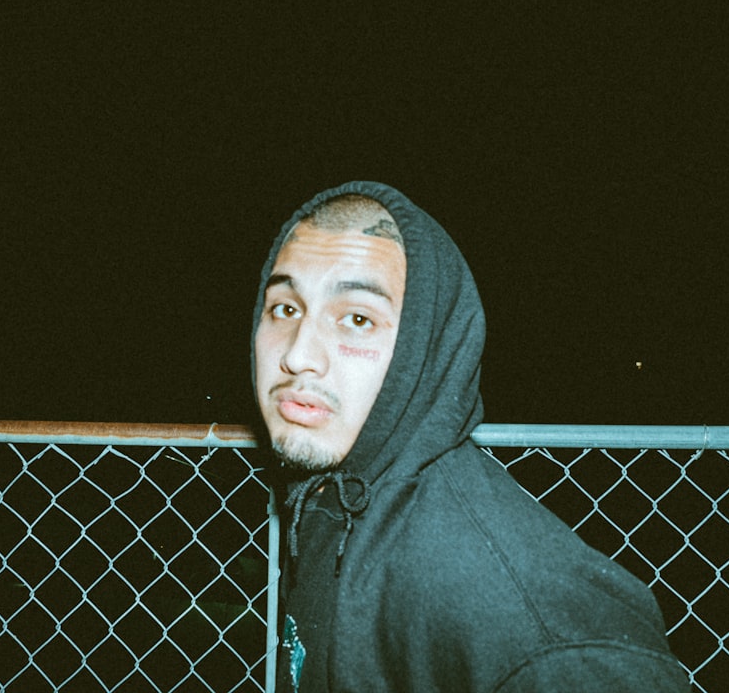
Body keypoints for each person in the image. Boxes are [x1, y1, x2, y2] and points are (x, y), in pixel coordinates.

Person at [251, 181, 690, 692]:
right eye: (285, 308)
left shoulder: (533, 627)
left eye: (356, 319)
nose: (299, 354)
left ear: (425, 344)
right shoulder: (329, 499)